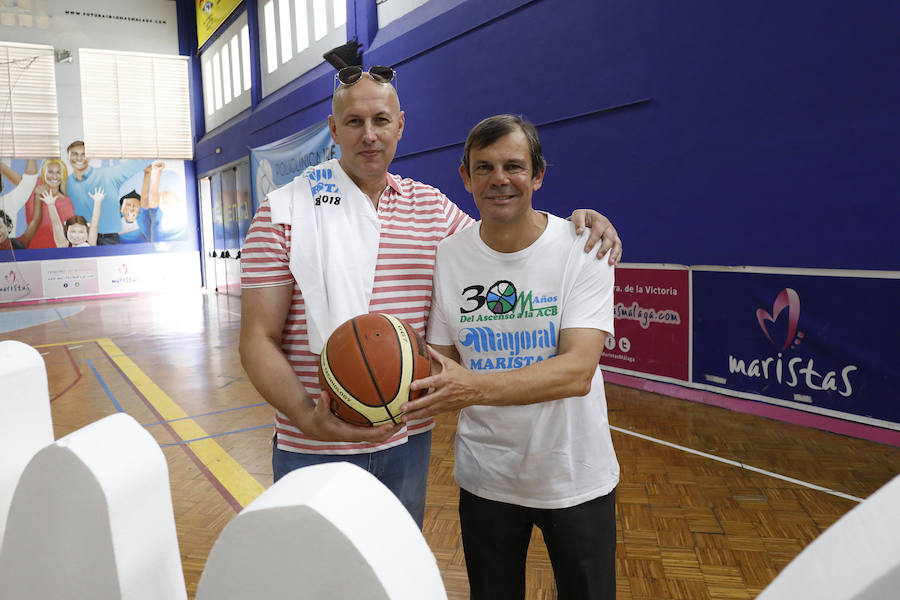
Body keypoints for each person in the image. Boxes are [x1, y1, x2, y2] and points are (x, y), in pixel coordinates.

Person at [239, 66, 622, 528]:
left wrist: (577, 225)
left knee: (398, 566)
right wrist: (307, 417)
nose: (369, 135)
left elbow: (505, 242)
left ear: (400, 126)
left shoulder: (432, 208)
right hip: (314, 444)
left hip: (407, 440)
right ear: (334, 129)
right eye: (355, 122)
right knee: (317, 569)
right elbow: (257, 339)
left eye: (381, 120)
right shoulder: (282, 212)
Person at [401, 115, 618, 599]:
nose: (499, 179)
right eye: (484, 167)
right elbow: (441, 364)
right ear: (466, 178)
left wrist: (472, 387)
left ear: (537, 175)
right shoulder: (448, 256)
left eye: (514, 166)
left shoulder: (584, 247)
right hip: (487, 479)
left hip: (574, 475)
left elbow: (577, 372)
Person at [65, 141, 151, 245]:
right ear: (68, 157)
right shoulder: (68, 183)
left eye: (83, 154)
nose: (79, 158)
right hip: (83, 240)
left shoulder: (108, 175)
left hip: (109, 239)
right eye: (74, 154)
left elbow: (132, 166)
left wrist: (151, 149)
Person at [22, 159, 76, 249]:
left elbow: (69, 232)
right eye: (50, 172)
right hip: (33, 249)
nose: (54, 176)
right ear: (44, 173)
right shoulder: (35, 187)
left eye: (58, 172)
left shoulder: (65, 203)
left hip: (55, 250)